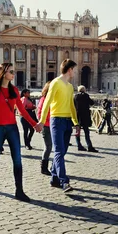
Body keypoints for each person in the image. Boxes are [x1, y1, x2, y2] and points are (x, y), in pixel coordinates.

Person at [0, 63, 42, 201]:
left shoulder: (14, 90)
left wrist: (34, 124)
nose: (13, 74)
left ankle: (19, 190)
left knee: (17, 160)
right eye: (11, 71)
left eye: (14, 72)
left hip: (12, 128)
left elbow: (22, 111)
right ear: (4, 73)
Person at [38, 59, 79, 192]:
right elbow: (47, 102)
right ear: (69, 70)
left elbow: (72, 106)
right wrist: (42, 121)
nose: (75, 72)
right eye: (74, 69)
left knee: (63, 151)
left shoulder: (69, 86)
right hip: (56, 120)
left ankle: (54, 178)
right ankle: (64, 181)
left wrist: (75, 122)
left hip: (67, 121)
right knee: (59, 151)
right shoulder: (55, 83)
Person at [74, 86, 98, 152]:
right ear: (84, 90)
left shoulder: (75, 97)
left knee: (77, 131)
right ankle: (89, 146)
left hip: (78, 116)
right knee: (86, 132)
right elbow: (92, 103)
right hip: (85, 116)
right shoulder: (86, 96)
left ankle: (79, 145)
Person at [37, 82, 53, 175]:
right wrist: (41, 123)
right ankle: (44, 167)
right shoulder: (44, 99)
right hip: (46, 125)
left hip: (54, 125)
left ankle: (53, 166)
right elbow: (39, 112)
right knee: (48, 147)